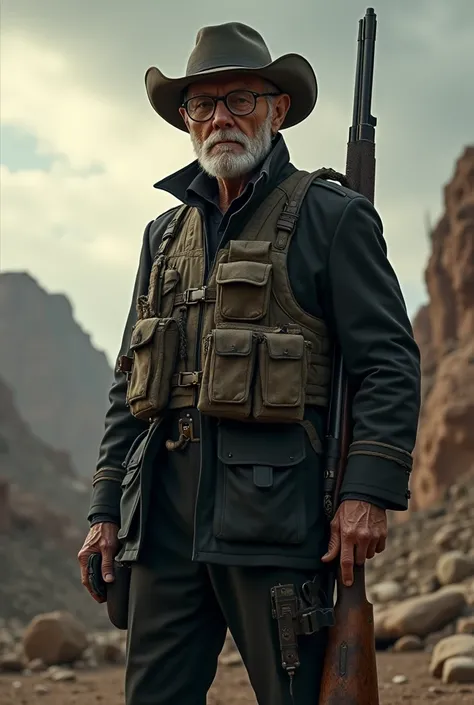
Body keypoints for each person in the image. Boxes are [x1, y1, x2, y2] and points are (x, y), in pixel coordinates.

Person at [78, 21, 421, 705]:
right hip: (164, 528)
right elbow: (130, 382)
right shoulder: (164, 234)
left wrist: (367, 492)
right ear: (186, 120)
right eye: (202, 105)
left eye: (240, 99)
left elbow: (387, 360)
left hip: (280, 524)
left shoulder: (333, 217)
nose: (220, 119)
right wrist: (105, 507)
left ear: (277, 108)